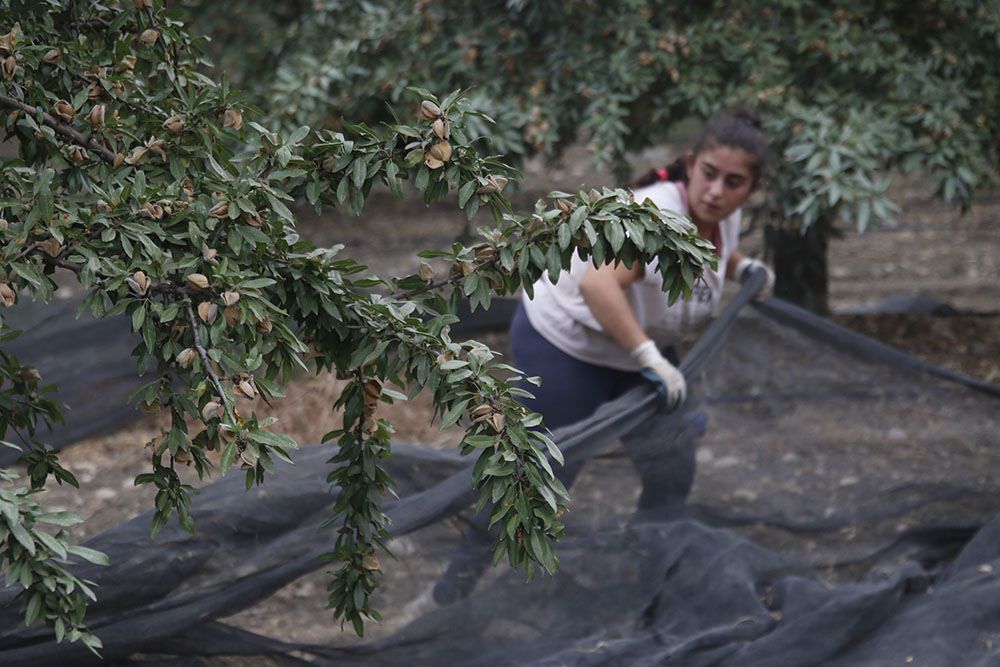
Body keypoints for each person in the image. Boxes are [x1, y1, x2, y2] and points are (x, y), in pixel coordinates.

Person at [433, 110, 774, 604]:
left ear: (752, 188)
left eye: (734, 182)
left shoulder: (723, 215)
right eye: (708, 174)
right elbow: (597, 283)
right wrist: (649, 357)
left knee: (671, 465)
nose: (717, 191)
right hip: (568, 341)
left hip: (637, 347)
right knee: (543, 474)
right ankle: (453, 593)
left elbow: (712, 246)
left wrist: (741, 267)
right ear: (689, 164)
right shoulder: (655, 217)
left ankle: (648, 581)